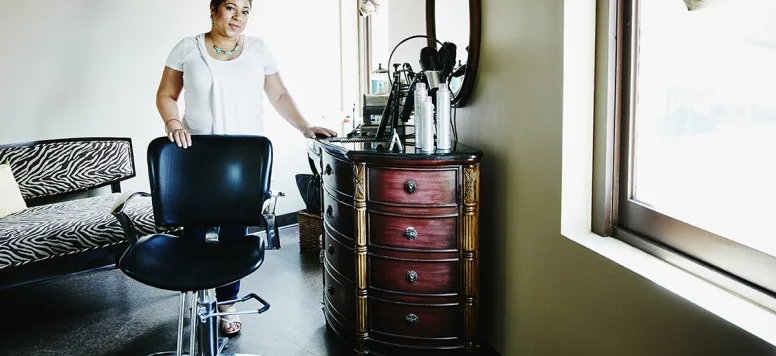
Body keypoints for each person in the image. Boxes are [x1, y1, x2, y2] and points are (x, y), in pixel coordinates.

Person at [155, 0, 336, 337]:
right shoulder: (187, 48)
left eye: (246, 10)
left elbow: (279, 94)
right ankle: (197, 296)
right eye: (230, 7)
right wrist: (173, 122)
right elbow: (166, 93)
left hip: (242, 165)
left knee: (234, 236)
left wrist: (305, 126)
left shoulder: (258, 50)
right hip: (197, 159)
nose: (238, 17)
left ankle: (227, 305)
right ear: (213, 9)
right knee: (194, 233)